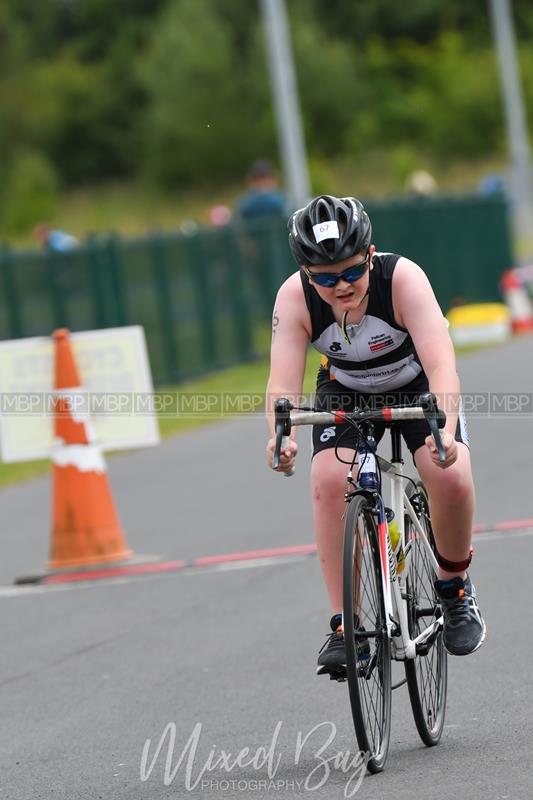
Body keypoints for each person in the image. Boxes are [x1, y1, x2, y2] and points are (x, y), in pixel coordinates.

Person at [265, 194, 486, 676]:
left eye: (350, 272)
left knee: (447, 474)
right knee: (328, 482)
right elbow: (282, 385)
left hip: (416, 381)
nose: (340, 287)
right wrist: (280, 436)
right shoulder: (294, 298)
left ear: (370, 255)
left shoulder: (403, 279)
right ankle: (347, 628)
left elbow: (442, 364)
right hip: (345, 390)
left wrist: (443, 429)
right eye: (324, 278)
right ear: (306, 273)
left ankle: (454, 587)